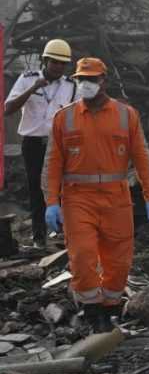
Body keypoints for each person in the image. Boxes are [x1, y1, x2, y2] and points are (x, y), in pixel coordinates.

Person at [43, 58, 149, 333]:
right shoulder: (65, 118)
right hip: (78, 199)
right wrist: (52, 202)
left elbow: (142, 158)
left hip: (116, 198)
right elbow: (52, 163)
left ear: (103, 81)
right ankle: (92, 310)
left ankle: (110, 309)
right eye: (80, 79)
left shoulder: (126, 115)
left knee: (119, 260)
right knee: (83, 256)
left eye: (92, 79)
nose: (85, 84)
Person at [4, 39, 77, 248]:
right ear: (45, 60)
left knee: (64, 187)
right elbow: (8, 109)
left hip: (59, 144)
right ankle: (39, 237)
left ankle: (63, 234)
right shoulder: (27, 79)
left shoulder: (71, 85)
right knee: (36, 188)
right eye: (55, 62)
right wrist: (33, 88)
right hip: (33, 144)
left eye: (63, 63)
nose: (59, 67)